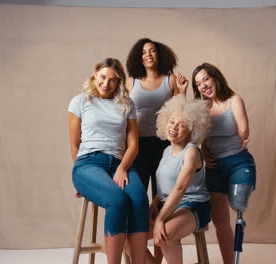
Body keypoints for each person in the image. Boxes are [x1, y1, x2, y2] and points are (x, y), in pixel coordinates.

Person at [68, 58, 149, 264]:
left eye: (113, 80)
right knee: (117, 200)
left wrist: (122, 168)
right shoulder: (80, 101)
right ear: (95, 74)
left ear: (118, 83)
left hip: (120, 164)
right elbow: (75, 144)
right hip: (89, 164)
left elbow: (133, 145)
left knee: (140, 201)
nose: (106, 83)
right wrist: (84, 182)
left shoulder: (126, 104)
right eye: (103, 77)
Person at [192, 63, 257, 264]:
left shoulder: (234, 100)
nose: (203, 85)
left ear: (215, 78)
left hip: (239, 163)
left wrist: (244, 134)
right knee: (220, 221)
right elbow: (200, 138)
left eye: (206, 79)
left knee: (238, 205)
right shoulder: (202, 108)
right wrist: (204, 150)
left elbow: (244, 130)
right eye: (198, 83)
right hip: (214, 168)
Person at [148, 94, 212, 264]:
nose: (174, 127)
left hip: (192, 205)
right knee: (126, 234)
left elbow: (179, 188)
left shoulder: (191, 152)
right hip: (167, 205)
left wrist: (160, 219)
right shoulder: (165, 151)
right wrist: (154, 204)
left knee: (165, 235)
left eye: (182, 125)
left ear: (192, 130)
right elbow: (165, 186)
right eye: (171, 122)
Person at [126, 38, 188, 198]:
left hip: (165, 143)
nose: (148, 54)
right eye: (143, 52)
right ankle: (139, 224)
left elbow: (180, 113)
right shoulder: (131, 82)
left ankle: (159, 223)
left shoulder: (171, 79)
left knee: (162, 194)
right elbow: (123, 114)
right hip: (137, 144)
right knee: (137, 195)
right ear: (138, 57)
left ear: (159, 54)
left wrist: (183, 92)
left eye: (152, 50)